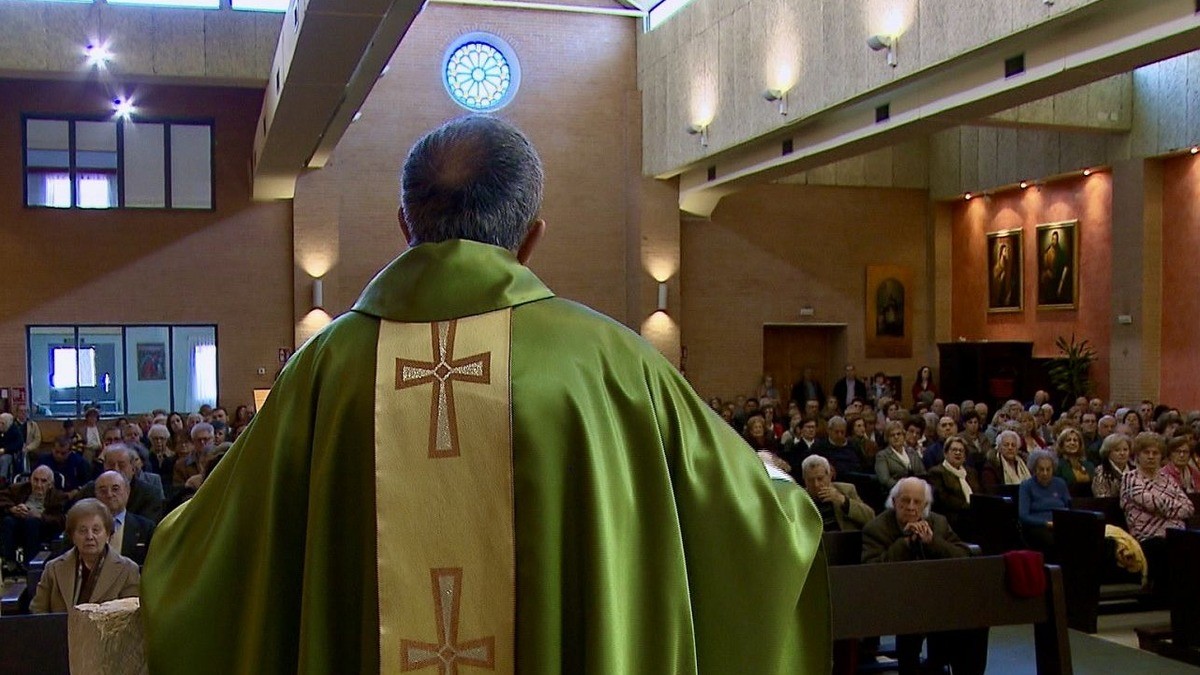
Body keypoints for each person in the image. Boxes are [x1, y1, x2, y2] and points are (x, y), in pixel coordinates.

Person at [142, 116, 830, 674]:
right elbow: (753, 531)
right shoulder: (612, 363)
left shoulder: (324, 369)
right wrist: (777, 482)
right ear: (530, 239)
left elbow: (207, 549)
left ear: (405, 225)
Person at [862, 477, 985, 675]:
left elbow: (963, 556)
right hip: (895, 598)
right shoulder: (876, 529)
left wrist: (932, 542)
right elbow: (872, 572)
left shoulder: (938, 522)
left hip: (938, 596)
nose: (911, 507)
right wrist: (905, 543)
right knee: (916, 618)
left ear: (925, 505)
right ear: (894, 502)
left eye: (917, 502)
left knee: (975, 618)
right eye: (905, 501)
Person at [30, 498, 141, 613]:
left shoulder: (128, 570)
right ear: (72, 536)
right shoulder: (53, 568)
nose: (89, 536)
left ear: (108, 534)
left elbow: (131, 616)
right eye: (82, 531)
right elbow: (38, 612)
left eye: (96, 530)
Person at [1121, 433, 1194, 590]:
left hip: (1175, 534)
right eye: (1146, 452)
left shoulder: (1167, 479)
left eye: (1155, 453)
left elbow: (1188, 508)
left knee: (1189, 545)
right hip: (1147, 537)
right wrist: (1173, 506)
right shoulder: (1130, 478)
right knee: (1162, 548)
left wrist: (1163, 507)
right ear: (1137, 455)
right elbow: (1152, 503)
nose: (1151, 457)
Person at [0, 465, 67, 573]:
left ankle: (29, 564)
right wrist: (13, 509)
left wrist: (39, 516)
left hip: (42, 528)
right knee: (8, 521)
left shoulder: (58, 496)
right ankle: (10, 563)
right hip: (19, 523)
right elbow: (2, 497)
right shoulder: (20, 488)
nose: (38, 485)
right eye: (35, 480)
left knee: (32, 522)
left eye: (43, 481)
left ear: (50, 484)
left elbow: (60, 519)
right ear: (30, 480)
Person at [94, 471, 156, 566]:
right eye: (103, 490)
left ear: (127, 491)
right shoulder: (83, 526)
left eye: (115, 489)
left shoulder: (146, 528)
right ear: (96, 495)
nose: (109, 494)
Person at [927, 436, 981, 540]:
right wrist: (969, 507)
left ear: (965, 456)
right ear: (945, 453)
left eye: (961, 451)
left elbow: (979, 493)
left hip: (973, 514)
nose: (958, 453)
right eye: (954, 450)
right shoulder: (937, 472)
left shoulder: (971, 472)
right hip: (953, 518)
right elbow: (944, 499)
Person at [801, 455, 874, 532]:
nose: (816, 484)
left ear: (829, 476)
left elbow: (870, 518)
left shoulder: (846, 490)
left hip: (846, 538)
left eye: (820, 479)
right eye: (810, 480)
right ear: (804, 480)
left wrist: (843, 500)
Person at [1018, 449, 1071, 552]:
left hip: (1061, 525)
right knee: (1053, 539)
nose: (1045, 473)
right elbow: (1023, 516)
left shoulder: (1060, 483)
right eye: (1041, 469)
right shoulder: (1026, 486)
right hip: (1037, 527)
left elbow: (1070, 507)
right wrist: (1046, 523)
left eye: (1048, 469)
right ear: (1035, 470)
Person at [875, 420, 925, 490]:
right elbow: (885, 480)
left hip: (917, 488)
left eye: (898, 434)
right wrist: (903, 488)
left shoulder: (912, 451)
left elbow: (922, 473)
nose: (896, 437)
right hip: (896, 491)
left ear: (903, 435)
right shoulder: (882, 456)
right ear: (887, 438)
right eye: (892, 435)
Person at [1092, 434, 1132, 498]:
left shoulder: (1135, 470)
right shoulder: (1101, 471)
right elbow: (1102, 498)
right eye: (1117, 450)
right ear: (1108, 452)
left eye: (1125, 449)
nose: (1122, 453)